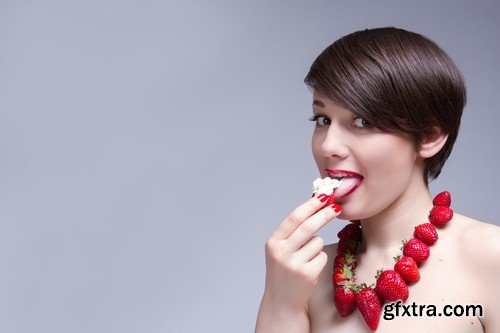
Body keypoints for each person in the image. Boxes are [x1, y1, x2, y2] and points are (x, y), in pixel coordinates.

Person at [255, 27, 500, 332]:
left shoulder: (492, 257)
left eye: (362, 121)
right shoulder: (304, 276)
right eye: (323, 120)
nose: (328, 146)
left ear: (429, 137)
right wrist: (280, 303)